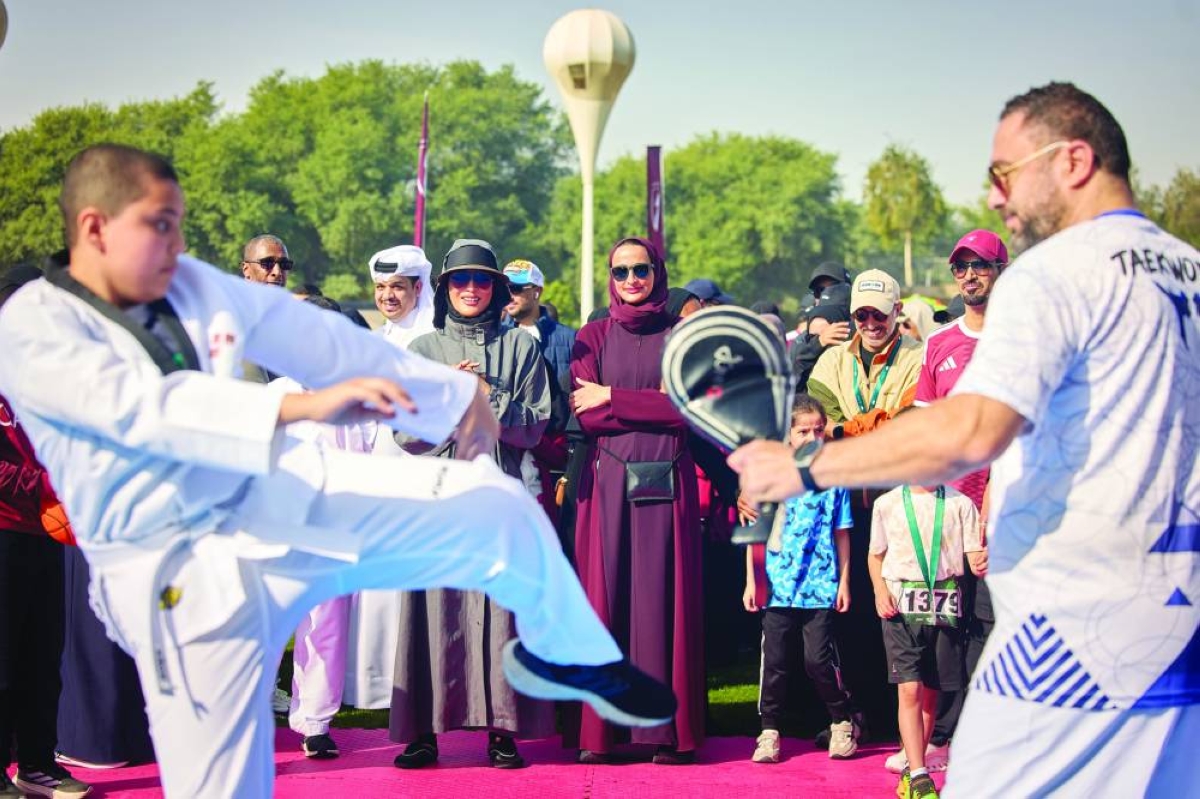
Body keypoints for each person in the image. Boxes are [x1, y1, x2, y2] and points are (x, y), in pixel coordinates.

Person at [0, 143, 676, 799]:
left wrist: (448, 393)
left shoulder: (187, 284)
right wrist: (304, 402)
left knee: (495, 504)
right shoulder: (32, 326)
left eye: (178, 224)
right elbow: (153, 412)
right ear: (94, 227)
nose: (178, 245)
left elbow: (312, 335)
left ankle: (571, 653)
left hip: (273, 500)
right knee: (220, 778)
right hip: (175, 571)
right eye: (161, 226)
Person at [731, 82, 1198, 798]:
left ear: (1073, 160)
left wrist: (805, 465)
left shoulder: (1054, 274)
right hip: (1177, 626)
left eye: (1004, 173)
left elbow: (969, 428)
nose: (994, 197)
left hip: (1072, 631)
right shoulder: (1189, 272)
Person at [389, 240, 553, 770]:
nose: (471, 289)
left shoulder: (521, 348)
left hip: (496, 493)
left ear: (496, 289)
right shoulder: (422, 351)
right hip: (440, 496)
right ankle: (423, 733)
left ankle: (503, 731)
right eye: (459, 281)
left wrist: (486, 396)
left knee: (499, 613)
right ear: (443, 289)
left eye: (481, 281)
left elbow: (535, 427)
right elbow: (404, 433)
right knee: (434, 611)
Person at [566, 237, 705, 765]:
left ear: (657, 272)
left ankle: (666, 733)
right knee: (609, 598)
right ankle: (604, 733)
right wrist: (653, 405)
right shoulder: (593, 335)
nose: (631, 280)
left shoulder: (682, 334)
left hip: (670, 485)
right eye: (621, 272)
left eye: (640, 270)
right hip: (608, 489)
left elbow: (691, 407)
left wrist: (615, 398)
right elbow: (586, 413)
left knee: (663, 600)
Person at [883, 229, 1008, 776]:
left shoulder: (1025, 338)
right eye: (960, 268)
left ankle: (998, 741)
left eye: (979, 265)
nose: (968, 276)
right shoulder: (939, 343)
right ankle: (941, 741)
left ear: (1001, 269)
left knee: (999, 626)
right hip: (951, 510)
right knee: (948, 635)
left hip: (1013, 508)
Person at [0, 265, 92, 799]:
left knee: (42, 657)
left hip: (44, 532)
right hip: (6, 530)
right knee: (4, 660)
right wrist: (49, 482)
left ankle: (37, 764)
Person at [341, 245, 435, 712]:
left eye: (397, 287)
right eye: (380, 288)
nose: (388, 297)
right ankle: (376, 685)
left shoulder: (434, 338)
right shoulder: (382, 339)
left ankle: (414, 679)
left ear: (419, 288)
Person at [740, 394, 857, 764]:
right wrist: (750, 581)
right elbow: (755, 533)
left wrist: (845, 582)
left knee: (817, 660)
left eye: (819, 430)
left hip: (820, 585)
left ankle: (841, 720)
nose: (812, 437)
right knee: (774, 662)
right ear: (788, 434)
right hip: (776, 586)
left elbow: (842, 532)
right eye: (803, 430)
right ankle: (769, 731)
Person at [870, 481, 984, 799]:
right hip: (899, 605)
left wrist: (981, 562)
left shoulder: (961, 504)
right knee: (909, 687)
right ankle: (920, 775)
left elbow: (974, 555)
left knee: (931, 692)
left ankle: (911, 768)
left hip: (944, 605)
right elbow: (875, 556)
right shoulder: (888, 504)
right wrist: (880, 592)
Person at [501, 259, 575, 521]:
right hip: (510, 446)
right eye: (505, 287)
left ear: (537, 291)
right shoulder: (495, 337)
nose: (510, 295)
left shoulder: (569, 339)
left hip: (556, 449)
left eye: (518, 288)